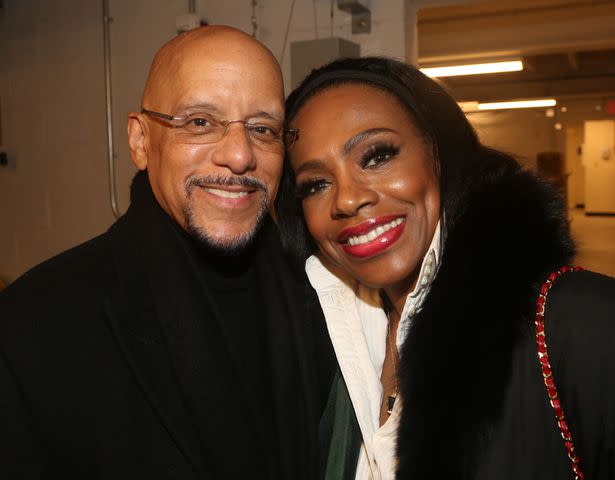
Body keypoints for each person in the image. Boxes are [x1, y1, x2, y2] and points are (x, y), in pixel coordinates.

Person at [0, 26, 334, 479]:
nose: (239, 155)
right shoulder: (32, 322)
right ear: (140, 141)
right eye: (199, 121)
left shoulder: (325, 299)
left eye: (262, 128)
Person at [277, 56, 615, 480]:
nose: (346, 199)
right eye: (316, 184)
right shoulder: (317, 344)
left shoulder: (584, 320)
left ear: (437, 151)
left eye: (377, 156)